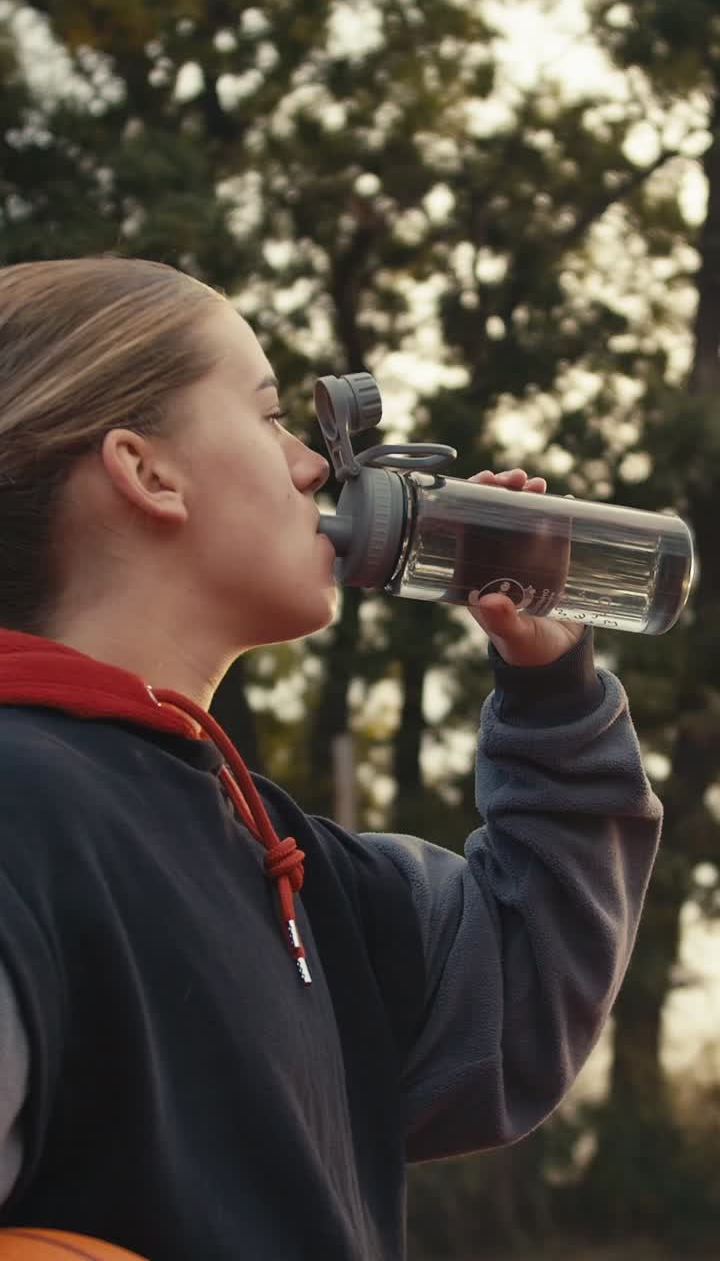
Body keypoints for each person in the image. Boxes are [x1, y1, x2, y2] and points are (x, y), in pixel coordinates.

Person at [0, 256, 661, 1261]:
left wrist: (555, 693)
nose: (315, 467)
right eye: (271, 418)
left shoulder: (283, 859)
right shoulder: (23, 813)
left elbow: (519, 998)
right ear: (148, 470)